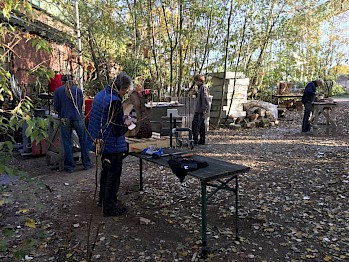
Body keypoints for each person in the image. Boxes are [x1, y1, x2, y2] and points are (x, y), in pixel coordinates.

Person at [87, 72, 132, 217]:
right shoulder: (114, 101)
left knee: (105, 172)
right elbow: (117, 128)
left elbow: (104, 117)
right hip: (111, 143)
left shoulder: (101, 94)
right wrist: (128, 125)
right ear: (121, 88)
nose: (125, 93)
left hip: (100, 141)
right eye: (125, 90)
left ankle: (102, 199)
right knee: (113, 175)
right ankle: (110, 206)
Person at [53, 74, 91, 173]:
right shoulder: (78, 90)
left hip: (65, 119)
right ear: (72, 80)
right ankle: (86, 164)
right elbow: (81, 104)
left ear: (62, 81)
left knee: (67, 143)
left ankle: (70, 166)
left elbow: (56, 107)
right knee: (83, 141)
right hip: (78, 118)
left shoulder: (58, 91)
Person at [192, 74, 210, 145]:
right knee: (201, 126)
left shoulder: (203, 88)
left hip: (200, 110)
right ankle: (202, 140)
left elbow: (205, 99)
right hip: (201, 110)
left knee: (195, 126)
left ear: (199, 81)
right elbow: (201, 97)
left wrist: (204, 110)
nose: (195, 83)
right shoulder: (200, 88)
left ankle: (195, 140)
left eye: (196, 81)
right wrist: (196, 94)